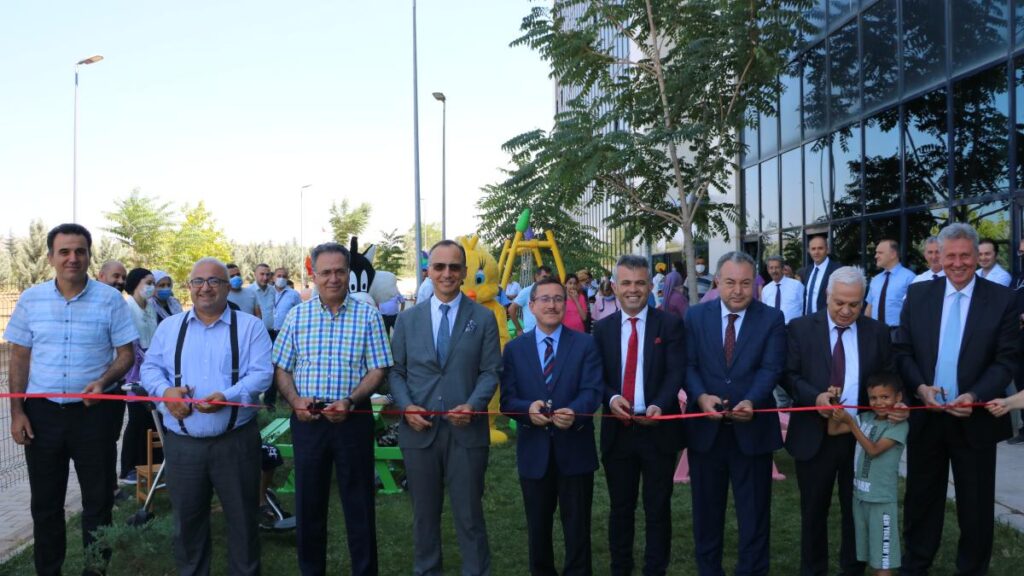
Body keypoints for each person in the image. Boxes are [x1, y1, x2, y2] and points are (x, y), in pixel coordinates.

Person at [4, 223, 137, 576]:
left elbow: (126, 355)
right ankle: (49, 571)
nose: (72, 258)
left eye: (80, 251)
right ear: (50, 257)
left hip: (94, 414)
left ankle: (95, 570)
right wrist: (17, 412)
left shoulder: (110, 300)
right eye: (64, 251)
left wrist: (104, 380)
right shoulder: (31, 299)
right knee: (45, 505)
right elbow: (18, 356)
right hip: (42, 416)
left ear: (89, 256)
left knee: (98, 501)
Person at [895, 223, 1017, 575]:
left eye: (966, 255)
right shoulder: (919, 296)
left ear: (978, 256)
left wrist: (975, 394)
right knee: (921, 499)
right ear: (939, 256)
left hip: (975, 419)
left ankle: (972, 568)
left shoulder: (1002, 300)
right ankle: (916, 564)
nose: (959, 263)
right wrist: (919, 388)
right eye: (951, 256)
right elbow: (902, 351)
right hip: (926, 417)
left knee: (976, 506)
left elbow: (1006, 360)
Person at [141, 257, 273, 576]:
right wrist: (165, 392)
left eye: (214, 281)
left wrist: (227, 397)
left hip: (236, 444)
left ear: (227, 287)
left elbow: (262, 374)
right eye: (198, 281)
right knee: (188, 526)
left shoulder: (250, 327)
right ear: (189, 287)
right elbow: (150, 368)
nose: (205, 288)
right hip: (184, 447)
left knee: (243, 523)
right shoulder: (170, 327)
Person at [272, 242, 393, 575]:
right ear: (314, 274)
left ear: (348, 272)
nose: (334, 278)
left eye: (340, 271)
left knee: (360, 505)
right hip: (308, 420)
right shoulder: (297, 315)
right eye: (325, 272)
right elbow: (281, 367)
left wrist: (352, 401)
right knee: (309, 505)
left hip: (353, 417)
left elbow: (379, 368)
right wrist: (295, 401)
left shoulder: (367, 314)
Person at [389, 239, 502, 576]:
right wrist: (407, 407)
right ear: (428, 271)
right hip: (419, 433)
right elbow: (396, 372)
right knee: (424, 516)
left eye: (454, 267)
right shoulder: (408, 320)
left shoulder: (482, 318)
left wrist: (474, 404)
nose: (447, 273)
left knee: (469, 515)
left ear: (465, 272)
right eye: (439, 267)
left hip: (466, 434)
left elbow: (490, 371)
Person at [784, 266, 897, 576]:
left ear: (863, 301)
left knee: (857, 509)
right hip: (814, 435)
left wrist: (890, 404)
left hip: (860, 436)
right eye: (840, 303)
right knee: (813, 511)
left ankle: (853, 567)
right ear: (827, 297)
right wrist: (814, 397)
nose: (847, 311)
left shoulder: (878, 332)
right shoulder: (800, 328)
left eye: (855, 304)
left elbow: (888, 375)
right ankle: (813, 569)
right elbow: (788, 375)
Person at [684, 251, 786, 576]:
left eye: (745, 283)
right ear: (717, 281)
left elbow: (771, 368)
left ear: (755, 283)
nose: (738, 290)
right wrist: (699, 397)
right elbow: (687, 365)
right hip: (706, 432)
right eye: (730, 282)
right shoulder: (695, 317)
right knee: (706, 516)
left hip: (752, 432)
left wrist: (752, 401)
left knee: (754, 517)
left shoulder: (771, 318)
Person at [500, 276, 603, 576]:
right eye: (544, 299)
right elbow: (508, 399)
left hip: (575, 452)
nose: (552, 304)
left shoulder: (585, 344)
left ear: (566, 303)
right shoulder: (516, 350)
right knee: (538, 530)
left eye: (558, 298)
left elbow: (592, 391)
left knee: (578, 530)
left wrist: (576, 412)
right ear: (530, 306)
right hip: (535, 455)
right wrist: (525, 410)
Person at [593, 255, 686, 576]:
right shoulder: (602, 329)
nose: (633, 290)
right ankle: (621, 568)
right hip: (618, 433)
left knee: (657, 507)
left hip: (658, 430)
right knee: (621, 508)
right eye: (626, 283)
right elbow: (597, 377)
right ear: (615, 287)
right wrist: (612, 397)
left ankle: (654, 569)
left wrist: (660, 402)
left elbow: (676, 371)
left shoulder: (670, 324)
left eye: (640, 283)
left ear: (650, 286)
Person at [827, 373, 909, 576]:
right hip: (861, 497)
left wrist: (852, 423)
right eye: (873, 398)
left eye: (885, 397)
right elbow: (833, 430)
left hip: (881, 500)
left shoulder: (898, 425)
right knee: (871, 554)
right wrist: (835, 406)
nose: (879, 402)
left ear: (898, 398)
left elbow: (873, 450)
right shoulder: (865, 418)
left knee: (883, 560)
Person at [119, 268, 160, 485]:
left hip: (151, 371)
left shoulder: (150, 307)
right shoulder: (126, 308)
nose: (152, 287)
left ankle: (148, 465)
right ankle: (127, 469)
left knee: (151, 421)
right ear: (136, 284)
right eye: (148, 282)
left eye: (154, 282)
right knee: (136, 420)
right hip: (133, 372)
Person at [864, 239, 915, 329]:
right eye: (876, 253)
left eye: (880, 253)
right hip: (875, 331)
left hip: (899, 333)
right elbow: (869, 308)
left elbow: (915, 310)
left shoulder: (909, 278)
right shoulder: (876, 280)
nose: (876, 256)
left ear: (893, 254)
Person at [798, 235, 841, 316]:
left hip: (827, 320)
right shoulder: (806, 271)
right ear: (808, 250)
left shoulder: (837, 270)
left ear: (827, 249)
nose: (816, 252)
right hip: (807, 320)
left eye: (820, 248)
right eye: (813, 249)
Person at [510, 266, 554, 336]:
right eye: (544, 277)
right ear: (536, 276)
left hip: (547, 333)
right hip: (530, 334)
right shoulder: (527, 291)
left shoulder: (550, 293)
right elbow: (511, 309)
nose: (547, 280)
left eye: (549, 278)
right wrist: (519, 329)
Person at [761, 255, 804, 325]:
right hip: (773, 329)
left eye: (777, 267)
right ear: (768, 270)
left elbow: (804, 307)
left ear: (782, 268)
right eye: (771, 268)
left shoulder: (796, 285)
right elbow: (765, 312)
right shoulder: (765, 290)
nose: (774, 271)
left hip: (793, 328)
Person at [249, 262, 275, 333]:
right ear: (255, 275)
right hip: (256, 333)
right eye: (262, 274)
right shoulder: (249, 291)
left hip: (272, 332)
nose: (265, 278)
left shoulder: (273, 290)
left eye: (267, 274)